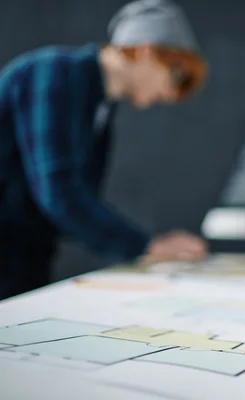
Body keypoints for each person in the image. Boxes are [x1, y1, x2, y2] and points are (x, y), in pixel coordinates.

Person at [0, 0, 209, 300]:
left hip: (29, 257)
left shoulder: (99, 104)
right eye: (178, 76)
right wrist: (148, 247)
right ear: (146, 50)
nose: (172, 94)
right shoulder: (55, 72)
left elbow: (80, 199)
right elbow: (60, 192)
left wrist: (148, 245)